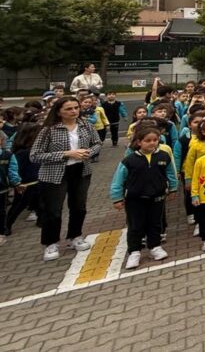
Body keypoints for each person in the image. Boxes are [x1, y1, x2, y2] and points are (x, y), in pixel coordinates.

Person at [30, 96, 99, 261]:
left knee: (79, 206)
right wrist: (66, 154)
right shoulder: (49, 130)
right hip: (54, 174)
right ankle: (51, 243)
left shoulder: (86, 125)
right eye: (69, 109)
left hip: (81, 170)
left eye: (76, 107)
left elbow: (97, 143)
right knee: (53, 210)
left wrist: (88, 152)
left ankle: (75, 236)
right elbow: (35, 155)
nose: (74, 111)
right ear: (59, 111)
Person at [109, 122, 177, 269]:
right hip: (135, 199)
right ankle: (134, 251)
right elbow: (118, 179)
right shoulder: (130, 160)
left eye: (155, 140)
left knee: (155, 223)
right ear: (139, 142)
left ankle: (155, 247)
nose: (152, 143)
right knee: (135, 225)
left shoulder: (164, 156)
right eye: (148, 140)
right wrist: (117, 197)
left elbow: (171, 173)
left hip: (157, 197)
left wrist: (173, 188)